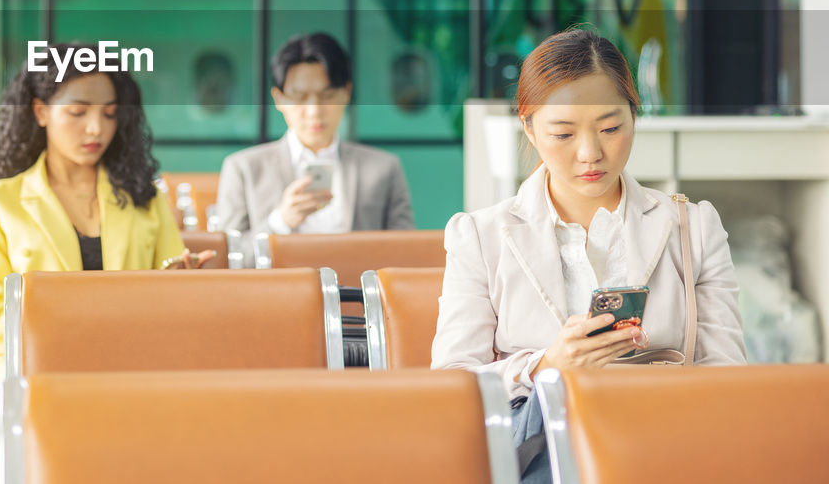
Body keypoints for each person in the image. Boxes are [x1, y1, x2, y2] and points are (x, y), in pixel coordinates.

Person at [431, 28, 746, 482]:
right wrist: (546, 365)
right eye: (562, 133)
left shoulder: (692, 227)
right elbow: (453, 385)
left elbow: (727, 379)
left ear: (635, 116)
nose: (590, 153)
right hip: (544, 453)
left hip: (668, 450)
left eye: (611, 128)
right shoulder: (480, 237)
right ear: (529, 129)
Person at [0, 44, 214, 420]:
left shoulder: (144, 198)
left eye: (109, 114)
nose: (96, 128)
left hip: (132, 363)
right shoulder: (0, 200)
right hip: (29, 368)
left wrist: (178, 284)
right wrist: (70, 346)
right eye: (78, 112)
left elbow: (168, 288)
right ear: (41, 111)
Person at [216, 31, 414, 261]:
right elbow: (229, 259)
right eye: (300, 97)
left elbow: (405, 254)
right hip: (278, 295)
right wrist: (280, 221)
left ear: (346, 93)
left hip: (357, 295)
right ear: (279, 99)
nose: (315, 111)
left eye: (328, 95)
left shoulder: (384, 168)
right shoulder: (243, 169)